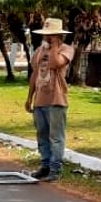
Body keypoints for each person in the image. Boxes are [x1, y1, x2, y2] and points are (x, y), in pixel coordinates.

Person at [24, 18, 75, 182]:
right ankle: (45, 165)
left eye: (50, 35)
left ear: (57, 35)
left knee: (56, 136)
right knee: (42, 135)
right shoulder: (40, 50)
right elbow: (34, 73)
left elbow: (55, 64)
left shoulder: (66, 49)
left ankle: (55, 168)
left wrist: (54, 46)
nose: (46, 37)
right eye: (46, 35)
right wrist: (29, 96)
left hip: (56, 99)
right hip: (40, 99)